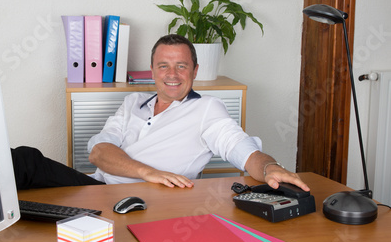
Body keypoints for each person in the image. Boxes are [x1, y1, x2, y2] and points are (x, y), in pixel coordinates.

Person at [87, 34, 309, 191]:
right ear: (153, 70)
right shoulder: (132, 102)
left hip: (147, 200)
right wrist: (149, 172)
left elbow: (241, 149)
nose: (172, 74)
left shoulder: (206, 109)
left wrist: (270, 167)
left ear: (195, 71)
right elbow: (99, 153)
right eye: (163, 65)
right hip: (96, 187)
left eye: (181, 66)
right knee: (49, 172)